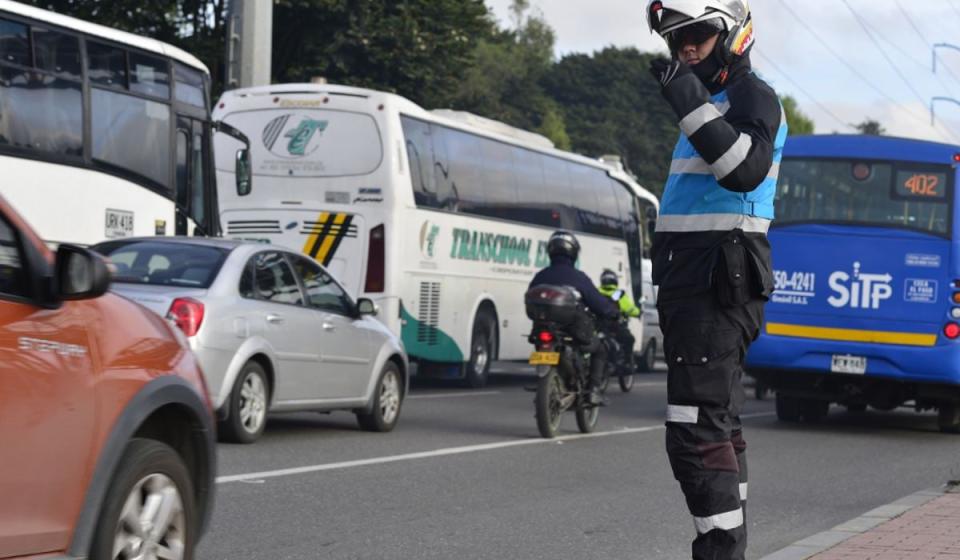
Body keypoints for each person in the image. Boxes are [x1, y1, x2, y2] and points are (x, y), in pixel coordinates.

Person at [645, 1, 787, 559]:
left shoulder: (752, 96)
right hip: (697, 283)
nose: (685, 47)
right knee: (718, 427)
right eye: (675, 39)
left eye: (698, 34)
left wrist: (686, 98)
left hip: (715, 282)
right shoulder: (713, 105)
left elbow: (743, 169)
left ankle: (721, 552)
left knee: (695, 429)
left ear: (733, 34)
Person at [529, 230, 619, 404]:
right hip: (573, 331)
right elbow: (597, 302)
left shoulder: (541, 275)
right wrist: (611, 313)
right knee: (600, 348)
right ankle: (593, 390)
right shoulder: (578, 277)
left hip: (542, 329)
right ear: (573, 253)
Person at [597, 269, 641, 372]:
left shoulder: (597, 291)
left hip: (599, 325)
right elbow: (630, 309)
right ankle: (626, 363)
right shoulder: (618, 294)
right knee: (629, 339)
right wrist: (638, 312)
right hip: (615, 325)